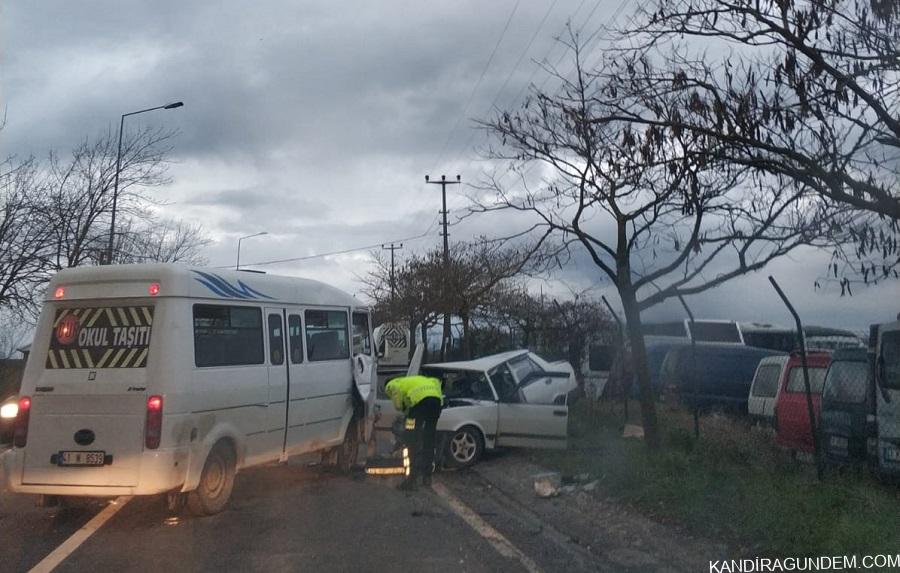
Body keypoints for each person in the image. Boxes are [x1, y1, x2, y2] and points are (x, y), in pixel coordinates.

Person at [384, 375, 443, 490]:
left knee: (412, 438)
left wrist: (404, 413)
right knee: (429, 438)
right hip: (435, 403)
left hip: (419, 405)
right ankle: (427, 476)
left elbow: (398, 405)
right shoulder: (421, 380)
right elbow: (436, 381)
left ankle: (411, 479)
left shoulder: (392, 385)